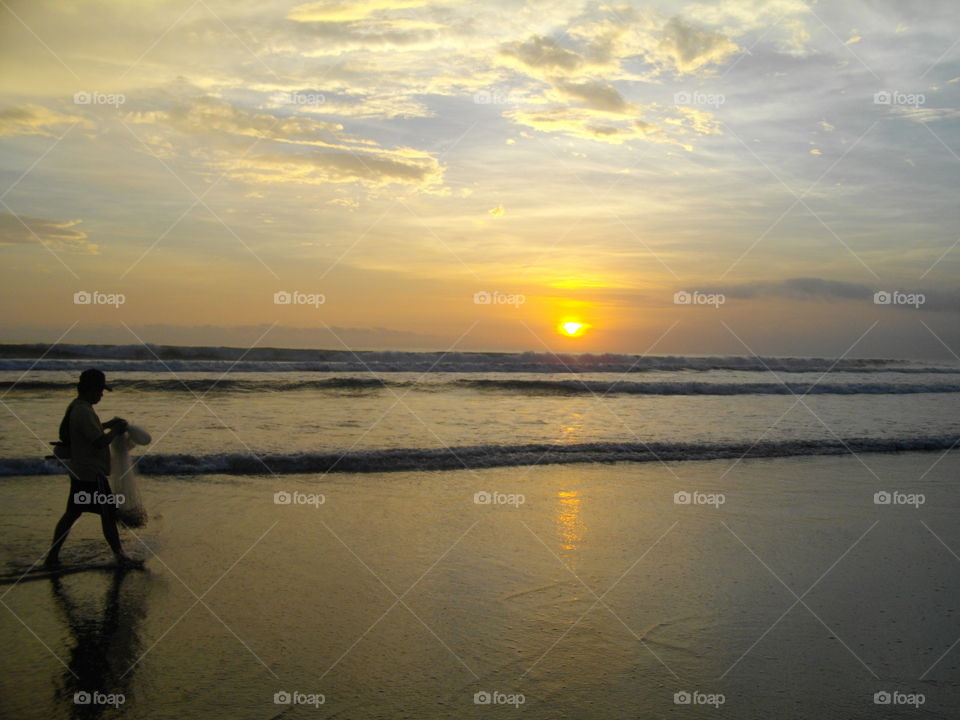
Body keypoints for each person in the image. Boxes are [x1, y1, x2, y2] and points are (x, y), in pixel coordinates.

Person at [45, 369, 136, 568]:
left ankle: (52, 557)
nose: (101, 394)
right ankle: (120, 556)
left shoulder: (78, 407)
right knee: (108, 514)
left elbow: (85, 432)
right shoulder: (83, 410)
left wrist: (107, 424)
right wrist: (115, 431)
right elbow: (98, 442)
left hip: (81, 472)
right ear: (91, 389)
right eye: (100, 390)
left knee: (72, 513)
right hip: (91, 473)